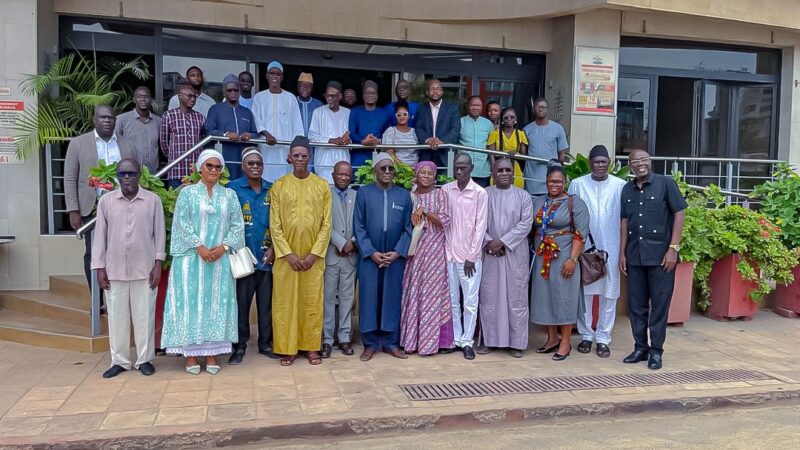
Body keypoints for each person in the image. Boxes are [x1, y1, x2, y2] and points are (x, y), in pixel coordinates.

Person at [161, 150, 245, 375]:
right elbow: (181, 223)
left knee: (215, 305)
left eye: (218, 167)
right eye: (210, 166)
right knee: (191, 303)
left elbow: (238, 225)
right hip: (191, 260)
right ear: (200, 168)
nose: (214, 170)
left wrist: (223, 248)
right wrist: (200, 247)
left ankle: (212, 353)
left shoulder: (229, 195)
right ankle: (190, 356)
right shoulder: (187, 193)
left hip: (219, 261)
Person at [92, 158, 164, 378]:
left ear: (139, 175)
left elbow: (159, 234)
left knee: (144, 316)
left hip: (145, 269)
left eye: (131, 174)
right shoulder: (106, 201)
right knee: (116, 318)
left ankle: (144, 359)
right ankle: (120, 361)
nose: (127, 178)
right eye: (122, 174)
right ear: (117, 175)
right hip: (114, 270)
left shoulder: (153, 201)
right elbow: (100, 238)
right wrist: (99, 267)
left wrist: (158, 264)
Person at [620, 149, 687, 370]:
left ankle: (656, 351)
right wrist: (622, 253)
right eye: (635, 161)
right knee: (636, 306)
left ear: (650, 162)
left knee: (659, 306)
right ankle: (640, 347)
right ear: (630, 166)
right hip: (635, 256)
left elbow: (679, 213)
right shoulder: (627, 189)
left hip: (661, 258)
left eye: (644, 160)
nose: (640, 164)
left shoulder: (666, 184)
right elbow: (624, 222)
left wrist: (673, 249)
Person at [269, 136, 332, 366]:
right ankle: (287, 348)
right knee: (285, 303)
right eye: (296, 155)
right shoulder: (279, 185)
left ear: (310, 157)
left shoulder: (322, 185)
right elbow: (274, 225)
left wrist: (315, 254)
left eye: (304, 156)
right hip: (287, 259)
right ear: (289, 157)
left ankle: (311, 347)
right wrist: (288, 254)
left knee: (311, 302)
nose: (300, 160)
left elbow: (327, 224)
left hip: (313, 259)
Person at [567, 145, 626, 358]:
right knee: (585, 293)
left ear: (609, 162)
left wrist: (623, 252)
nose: (600, 165)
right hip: (585, 247)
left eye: (604, 161)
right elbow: (571, 215)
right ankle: (586, 335)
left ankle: (603, 337)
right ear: (590, 162)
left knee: (609, 294)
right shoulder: (577, 184)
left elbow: (625, 219)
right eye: (596, 161)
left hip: (612, 245)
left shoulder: (621, 185)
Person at [354, 153, 413, 361]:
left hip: (394, 257)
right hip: (370, 256)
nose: (387, 172)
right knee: (369, 298)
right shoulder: (364, 193)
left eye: (390, 169)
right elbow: (358, 226)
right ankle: (370, 344)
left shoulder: (404, 196)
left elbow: (408, 228)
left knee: (392, 298)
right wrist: (371, 252)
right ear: (375, 171)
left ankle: (390, 342)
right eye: (383, 169)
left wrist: (397, 252)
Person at [65, 105, 131, 288]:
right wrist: (73, 209)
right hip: (91, 207)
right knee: (93, 253)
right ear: (95, 120)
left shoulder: (127, 144)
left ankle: (113, 295)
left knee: (119, 251)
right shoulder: (78, 143)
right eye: (102, 117)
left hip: (122, 205)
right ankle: (97, 298)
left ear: (115, 121)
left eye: (111, 118)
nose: (107, 121)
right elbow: (70, 178)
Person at [530, 164, 588, 361]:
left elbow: (581, 234)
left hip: (564, 255)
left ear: (565, 183)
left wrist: (573, 259)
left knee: (565, 297)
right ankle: (552, 338)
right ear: (546, 182)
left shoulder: (574, 203)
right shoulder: (539, 201)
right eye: (551, 181)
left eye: (558, 181)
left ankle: (565, 342)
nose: (554, 184)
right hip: (542, 256)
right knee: (545, 296)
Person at [478, 158, 533, 357]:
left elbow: (525, 225)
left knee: (516, 298)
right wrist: (489, 242)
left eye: (507, 170)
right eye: (499, 170)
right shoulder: (484, 195)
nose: (504, 173)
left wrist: (502, 242)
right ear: (492, 173)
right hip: (490, 254)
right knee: (489, 297)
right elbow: (476, 222)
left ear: (513, 173)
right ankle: (489, 340)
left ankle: (516, 343)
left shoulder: (523, 196)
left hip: (514, 254)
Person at [227, 148, 277, 365]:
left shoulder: (272, 190)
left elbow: (280, 222)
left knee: (266, 304)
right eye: (251, 163)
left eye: (258, 163)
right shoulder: (232, 189)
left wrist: (275, 247)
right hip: (242, 258)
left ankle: (266, 344)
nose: (255, 167)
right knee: (241, 304)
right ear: (243, 166)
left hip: (268, 256)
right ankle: (239, 346)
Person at [399, 161, 453, 356]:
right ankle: (412, 341)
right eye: (423, 172)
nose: (427, 176)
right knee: (414, 293)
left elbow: (445, 221)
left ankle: (435, 342)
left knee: (433, 295)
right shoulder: (410, 196)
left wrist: (425, 212)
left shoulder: (440, 195)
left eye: (430, 173)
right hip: (414, 252)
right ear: (416, 174)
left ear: (435, 176)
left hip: (434, 252)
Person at [442, 153, 488, 360]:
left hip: (470, 259)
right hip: (448, 255)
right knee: (452, 301)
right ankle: (457, 339)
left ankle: (468, 341)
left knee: (470, 302)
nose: (460, 171)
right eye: (457, 168)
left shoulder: (479, 193)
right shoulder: (445, 190)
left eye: (464, 168)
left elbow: (481, 226)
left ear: (471, 168)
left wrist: (472, 255)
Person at [322, 161, 358, 358]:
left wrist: (351, 242)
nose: (344, 177)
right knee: (327, 299)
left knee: (347, 298)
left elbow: (361, 222)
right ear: (333, 175)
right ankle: (327, 340)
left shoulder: (356, 195)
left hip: (351, 256)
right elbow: (322, 222)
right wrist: (339, 242)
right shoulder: (325, 194)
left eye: (347, 174)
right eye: (340, 174)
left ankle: (344, 337)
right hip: (331, 255)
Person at [251, 61, 305, 182]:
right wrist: (267, 134)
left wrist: (294, 150)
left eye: (278, 74)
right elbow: (256, 119)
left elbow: (297, 125)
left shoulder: (290, 98)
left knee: (284, 180)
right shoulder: (259, 97)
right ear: (267, 76)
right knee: (264, 177)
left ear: (282, 77)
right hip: (265, 147)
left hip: (285, 149)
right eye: (272, 73)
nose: (275, 76)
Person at [204, 74, 258, 180]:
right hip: (224, 155)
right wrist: (226, 134)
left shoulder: (246, 112)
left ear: (239, 91)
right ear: (224, 91)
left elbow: (255, 133)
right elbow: (209, 130)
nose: (233, 93)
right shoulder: (215, 109)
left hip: (243, 157)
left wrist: (249, 135)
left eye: (235, 90)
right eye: (229, 90)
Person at [159, 83, 205, 188]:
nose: (193, 99)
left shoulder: (200, 117)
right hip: (176, 170)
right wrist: (173, 156)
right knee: (175, 202)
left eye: (195, 97)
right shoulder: (169, 116)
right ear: (179, 96)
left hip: (195, 171)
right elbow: (163, 143)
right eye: (189, 96)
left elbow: (203, 139)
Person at [523, 98, 568, 196]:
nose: (540, 109)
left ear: (547, 109)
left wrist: (558, 169)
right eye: (538, 107)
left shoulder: (558, 128)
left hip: (550, 172)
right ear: (534, 109)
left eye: (543, 107)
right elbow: (523, 152)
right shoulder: (527, 129)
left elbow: (562, 153)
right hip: (532, 174)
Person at [309, 81, 351, 184]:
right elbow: (312, 136)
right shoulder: (318, 112)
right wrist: (331, 140)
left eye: (333, 96)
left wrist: (348, 140)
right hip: (324, 160)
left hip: (342, 157)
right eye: (327, 96)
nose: (329, 99)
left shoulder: (348, 112)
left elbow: (352, 135)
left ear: (340, 96)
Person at [415, 79, 461, 168]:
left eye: (438, 88)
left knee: (446, 181)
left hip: (446, 154)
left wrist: (442, 141)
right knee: (425, 180)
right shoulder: (421, 108)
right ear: (427, 92)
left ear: (442, 92)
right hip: (426, 153)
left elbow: (455, 128)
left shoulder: (452, 108)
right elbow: (418, 127)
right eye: (432, 89)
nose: (435, 91)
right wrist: (428, 140)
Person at [115, 86, 161, 173]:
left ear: (151, 100)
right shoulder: (121, 120)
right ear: (134, 100)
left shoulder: (159, 122)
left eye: (146, 97)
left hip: (152, 174)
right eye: (139, 97)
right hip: (129, 173)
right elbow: (114, 144)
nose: (143, 99)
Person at [349, 80, 391, 171]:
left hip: (378, 153)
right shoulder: (355, 111)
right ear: (363, 96)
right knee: (356, 181)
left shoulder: (384, 113)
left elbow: (388, 133)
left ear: (377, 96)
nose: (370, 95)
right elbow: (351, 132)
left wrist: (378, 141)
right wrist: (362, 141)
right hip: (358, 154)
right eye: (367, 93)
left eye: (373, 93)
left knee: (377, 180)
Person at [487, 107, 528, 189]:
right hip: (499, 167)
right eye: (506, 117)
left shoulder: (521, 134)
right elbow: (491, 154)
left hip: (515, 169)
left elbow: (524, 155)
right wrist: (493, 171)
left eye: (512, 117)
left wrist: (517, 154)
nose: (509, 119)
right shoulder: (494, 134)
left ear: (515, 119)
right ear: (502, 120)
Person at [458, 96, 494, 187]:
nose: (475, 107)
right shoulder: (460, 122)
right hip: (463, 170)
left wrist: (494, 168)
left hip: (483, 171)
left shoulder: (488, 124)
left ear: (482, 107)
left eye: (478, 105)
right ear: (467, 107)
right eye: (473, 105)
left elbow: (491, 147)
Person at [381, 100, 418, 166]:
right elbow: (389, 152)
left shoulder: (415, 132)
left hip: (415, 168)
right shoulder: (391, 131)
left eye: (405, 114)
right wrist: (402, 167)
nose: (402, 117)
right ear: (395, 116)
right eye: (399, 115)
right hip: (396, 168)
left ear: (409, 116)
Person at [296, 72, 323, 138]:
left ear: (312, 87)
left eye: (309, 85)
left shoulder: (319, 105)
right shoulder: (292, 102)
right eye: (302, 85)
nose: (305, 88)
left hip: (314, 144)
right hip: (295, 144)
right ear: (297, 86)